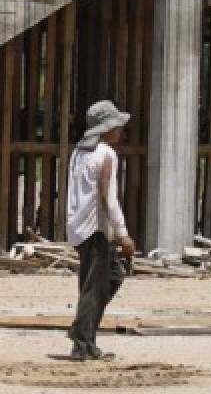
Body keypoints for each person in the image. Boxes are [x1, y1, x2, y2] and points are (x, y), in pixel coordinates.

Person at [64, 100, 135, 362]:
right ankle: (82, 342)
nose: (121, 131)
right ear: (106, 129)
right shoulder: (106, 153)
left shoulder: (79, 151)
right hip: (95, 228)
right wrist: (122, 232)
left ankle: (84, 335)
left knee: (102, 280)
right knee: (95, 286)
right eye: (117, 126)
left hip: (78, 226)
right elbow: (108, 196)